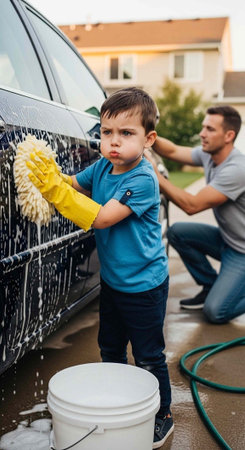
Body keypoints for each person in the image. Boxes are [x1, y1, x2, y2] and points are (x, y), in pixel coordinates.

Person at [27, 87, 174, 448]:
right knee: (109, 347)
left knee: (148, 354)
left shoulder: (141, 179)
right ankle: (121, 400)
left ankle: (163, 414)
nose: (114, 142)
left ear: (149, 139)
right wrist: (51, 177)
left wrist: (56, 192)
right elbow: (73, 185)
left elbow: (102, 218)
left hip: (145, 286)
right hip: (113, 283)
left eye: (127, 134)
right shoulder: (104, 166)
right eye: (107, 132)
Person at [147, 105, 245, 324]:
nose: (202, 133)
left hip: (242, 252)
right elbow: (171, 150)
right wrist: (145, 134)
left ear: (229, 136)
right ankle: (210, 285)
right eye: (203, 127)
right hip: (228, 241)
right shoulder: (210, 155)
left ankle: (218, 294)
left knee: (215, 311)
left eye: (210, 129)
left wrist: (156, 176)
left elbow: (192, 206)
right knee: (178, 233)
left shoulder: (237, 169)